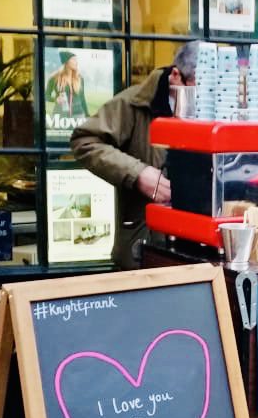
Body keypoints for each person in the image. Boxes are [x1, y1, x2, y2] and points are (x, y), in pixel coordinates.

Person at [71, 41, 199, 270]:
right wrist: (138, 173)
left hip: (199, 247)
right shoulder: (131, 104)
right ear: (176, 75)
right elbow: (84, 141)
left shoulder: (216, 104)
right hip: (144, 247)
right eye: (198, 85)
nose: (204, 95)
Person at [46, 51, 89, 121]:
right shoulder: (54, 78)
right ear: (66, 62)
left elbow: (82, 98)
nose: (76, 62)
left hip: (78, 115)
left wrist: (87, 115)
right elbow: (46, 95)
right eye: (73, 59)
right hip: (60, 116)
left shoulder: (80, 78)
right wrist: (55, 99)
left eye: (76, 60)